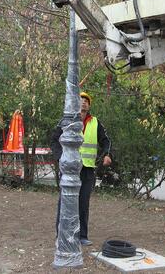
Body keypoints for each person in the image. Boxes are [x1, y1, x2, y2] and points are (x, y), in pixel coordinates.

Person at [51, 92, 112, 246]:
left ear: (89, 106)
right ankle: (61, 235)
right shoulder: (66, 121)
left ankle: (82, 236)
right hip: (69, 168)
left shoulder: (96, 123)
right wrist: (60, 157)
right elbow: (54, 139)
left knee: (83, 203)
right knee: (65, 201)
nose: (83, 103)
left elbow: (106, 141)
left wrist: (107, 154)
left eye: (86, 101)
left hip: (87, 169)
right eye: (80, 100)